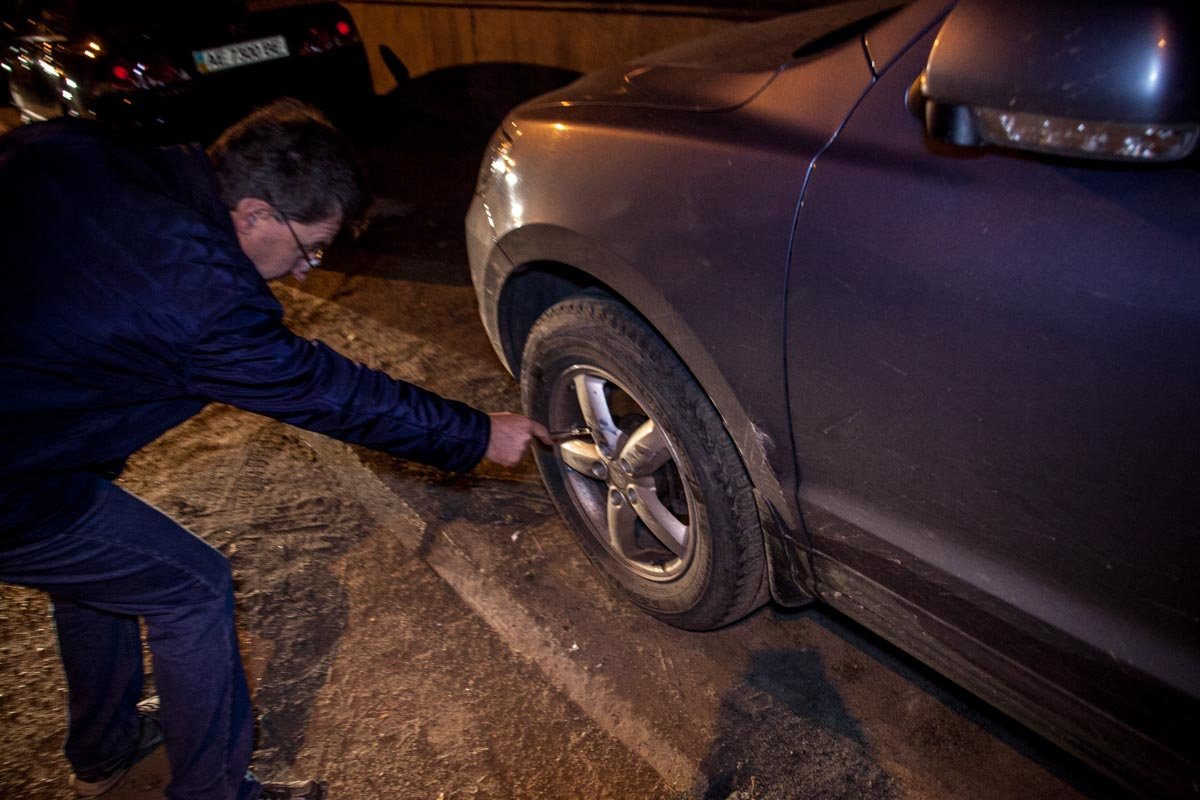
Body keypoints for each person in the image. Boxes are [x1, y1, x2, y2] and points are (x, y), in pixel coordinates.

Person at [0, 99, 551, 800]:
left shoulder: (66, 150)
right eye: (308, 249)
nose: (304, 273)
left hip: (33, 440)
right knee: (189, 588)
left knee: (105, 571)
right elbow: (327, 391)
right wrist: (477, 432)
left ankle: (106, 745)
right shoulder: (199, 295)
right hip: (14, 476)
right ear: (254, 213)